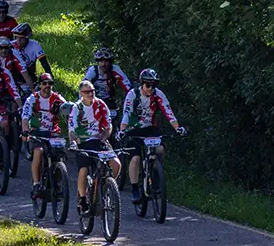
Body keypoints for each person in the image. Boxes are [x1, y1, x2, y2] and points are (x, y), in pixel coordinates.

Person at [119, 68, 186, 203]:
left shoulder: (158, 94)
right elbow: (126, 113)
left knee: (160, 149)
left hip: (150, 128)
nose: (150, 88)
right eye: (148, 85)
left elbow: (168, 111)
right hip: (134, 129)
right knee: (136, 158)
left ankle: (155, 175)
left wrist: (178, 128)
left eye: (153, 85)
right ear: (142, 84)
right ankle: (135, 189)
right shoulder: (133, 94)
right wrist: (122, 130)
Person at [69, 80, 121, 214]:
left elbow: (108, 125)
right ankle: (82, 199)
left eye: (92, 91)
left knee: (116, 164)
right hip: (83, 142)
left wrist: (104, 137)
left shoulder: (100, 104)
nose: (90, 94)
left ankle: (107, 188)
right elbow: (72, 129)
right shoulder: (77, 108)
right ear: (81, 93)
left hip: (99, 141)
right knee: (84, 169)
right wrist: (74, 142)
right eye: (87, 92)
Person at [20, 72, 68, 198]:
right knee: (39, 151)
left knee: (59, 154)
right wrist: (25, 131)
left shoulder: (58, 98)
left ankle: (58, 181)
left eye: (50, 83)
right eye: (44, 83)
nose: (47, 86)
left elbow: (70, 112)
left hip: (53, 132)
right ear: (40, 85)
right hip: (37, 131)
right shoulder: (33, 99)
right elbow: (25, 117)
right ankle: (36, 184)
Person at [83, 48, 131, 127]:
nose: (103, 64)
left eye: (106, 61)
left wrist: (132, 96)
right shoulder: (93, 71)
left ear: (110, 62)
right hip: (93, 100)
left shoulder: (114, 69)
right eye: (101, 61)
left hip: (109, 100)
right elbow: (83, 87)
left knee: (114, 120)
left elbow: (126, 83)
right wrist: (83, 103)